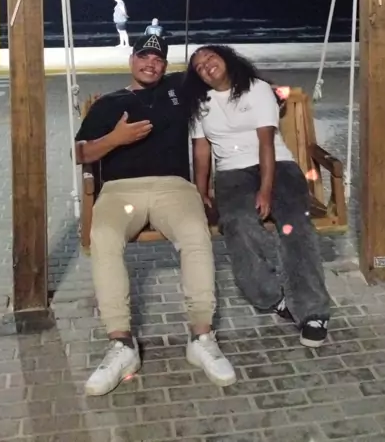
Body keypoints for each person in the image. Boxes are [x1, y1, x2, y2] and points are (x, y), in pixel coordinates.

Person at [75, 34, 236, 397]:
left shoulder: (179, 89)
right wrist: (116, 139)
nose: (151, 63)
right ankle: (121, 345)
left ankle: (201, 337)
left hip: (173, 187)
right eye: (144, 56)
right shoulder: (108, 103)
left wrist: (268, 91)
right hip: (120, 191)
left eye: (158, 59)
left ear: (165, 65)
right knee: (104, 238)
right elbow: (81, 153)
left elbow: (221, 71)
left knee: (196, 234)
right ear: (132, 59)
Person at [185, 44, 331, 348]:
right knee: (238, 223)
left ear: (226, 58)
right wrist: (200, 191)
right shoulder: (200, 102)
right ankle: (271, 297)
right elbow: (201, 150)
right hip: (232, 173)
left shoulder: (256, 89)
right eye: (199, 67)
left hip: (277, 166)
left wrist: (265, 190)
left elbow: (266, 142)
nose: (206, 66)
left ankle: (312, 311)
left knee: (294, 225)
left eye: (210, 58)